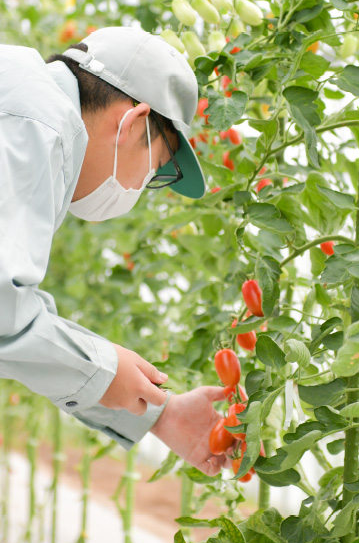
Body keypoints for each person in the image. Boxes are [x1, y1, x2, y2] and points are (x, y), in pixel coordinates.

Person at [0, 26, 232, 476]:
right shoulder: (38, 122)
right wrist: (106, 369)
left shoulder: (24, 97)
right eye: (158, 169)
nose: (142, 188)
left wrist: (159, 414)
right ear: (134, 121)